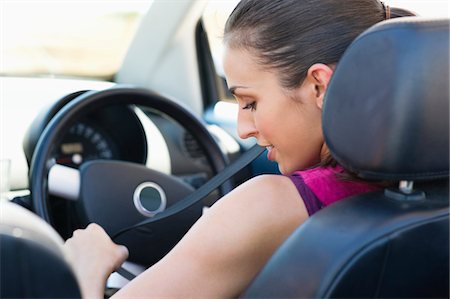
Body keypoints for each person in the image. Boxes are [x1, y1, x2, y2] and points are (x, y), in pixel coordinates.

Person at [64, 1, 416, 298]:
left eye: (249, 102)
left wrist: (85, 267)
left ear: (319, 87)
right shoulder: (428, 191)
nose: (244, 130)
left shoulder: (270, 205)